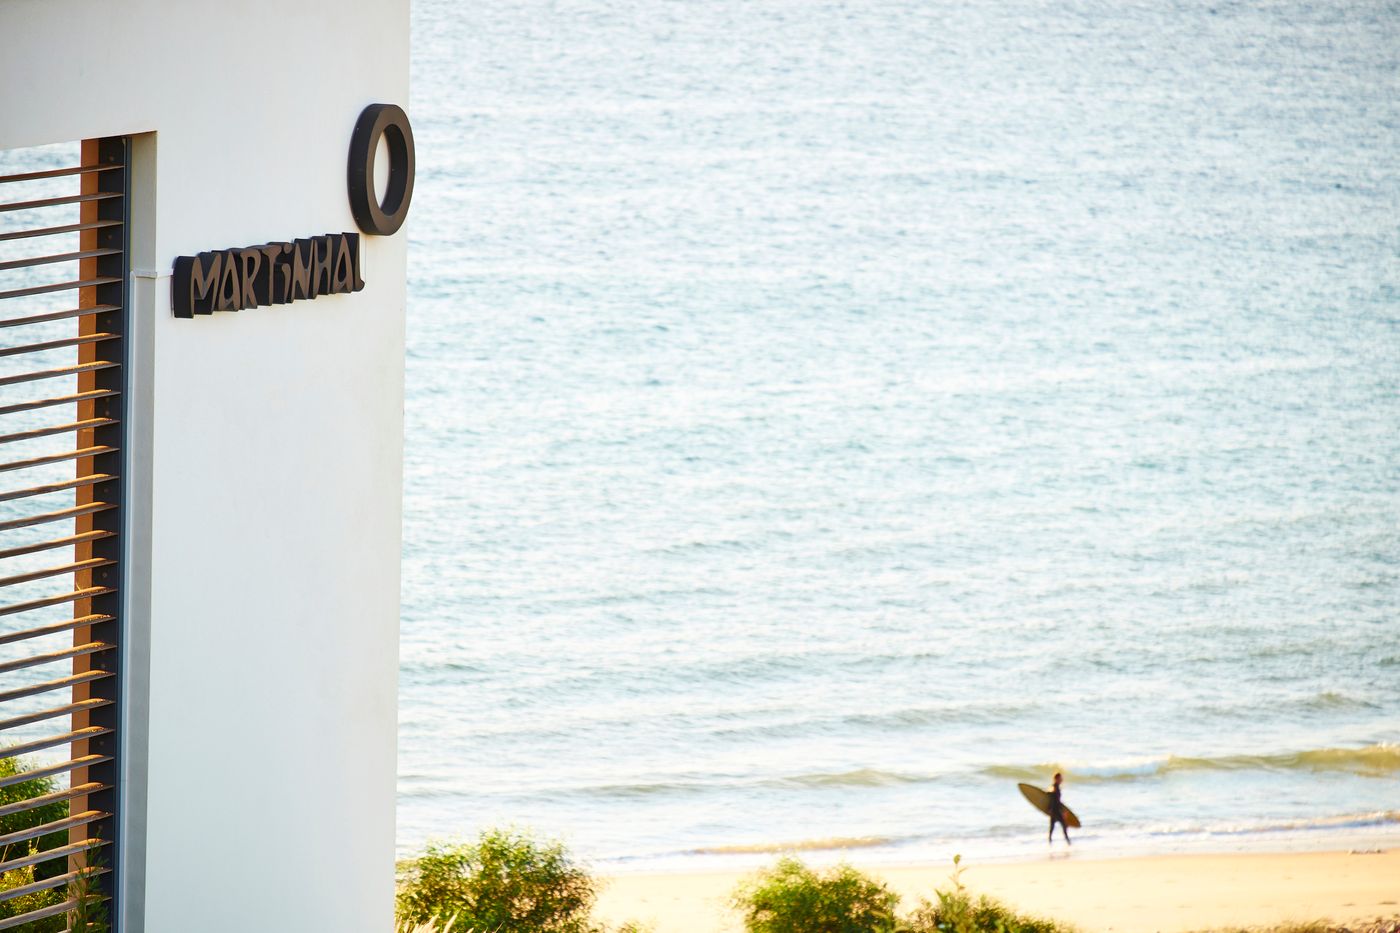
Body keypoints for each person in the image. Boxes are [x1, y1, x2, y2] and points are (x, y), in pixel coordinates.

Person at [1047, 772, 1070, 845]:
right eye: (1060, 778)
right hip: (1056, 810)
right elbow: (1055, 801)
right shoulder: (1055, 788)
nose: (1061, 779)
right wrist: (1062, 811)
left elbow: (1052, 798)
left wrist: (1049, 808)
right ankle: (1069, 843)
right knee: (1063, 826)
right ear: (1056, 779)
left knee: (1052, 828)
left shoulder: (1055, 787)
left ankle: (1050, 844)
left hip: (1054, 810)